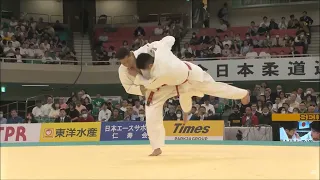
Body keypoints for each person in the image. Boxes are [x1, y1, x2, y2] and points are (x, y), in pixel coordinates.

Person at [116, 36, 249, 156]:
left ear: (131, 54)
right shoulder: (124, 70)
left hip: (183, 78)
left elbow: (152, 82)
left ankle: (242, 93)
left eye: (128, 61)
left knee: (213, 88)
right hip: (158, 87)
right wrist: (142, 88)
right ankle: (156, 147)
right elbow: (128, 88)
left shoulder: (152, 54)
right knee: (151, 110)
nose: (127, 66)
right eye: (124, 63)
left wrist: (138, 77)